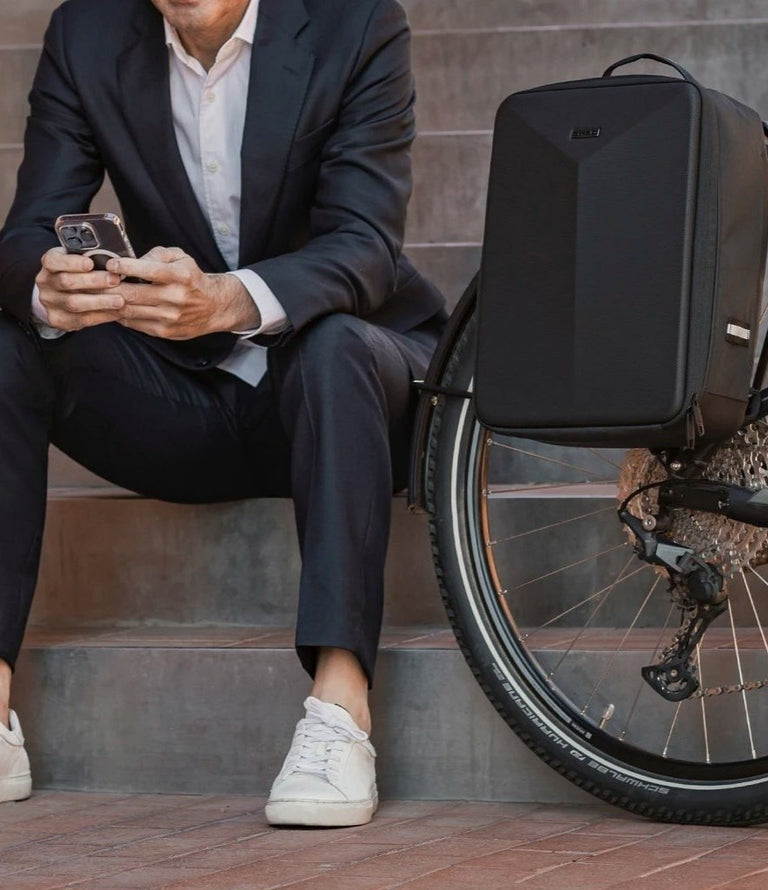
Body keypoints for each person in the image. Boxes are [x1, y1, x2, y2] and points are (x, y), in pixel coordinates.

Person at [0, 0, 446, 827]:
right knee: (11, 334)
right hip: (191, 397)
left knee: (333, 345)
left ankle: (341, 710)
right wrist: (50, 283)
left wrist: (230, 300)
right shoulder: (87, 34)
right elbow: (27, 228)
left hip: (350, 389)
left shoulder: (356, 23)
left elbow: (364, 246)